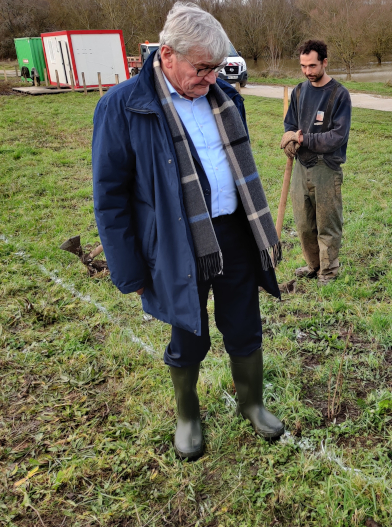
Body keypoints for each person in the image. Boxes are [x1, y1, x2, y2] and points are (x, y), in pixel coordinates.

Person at [92, 2, 284, 460]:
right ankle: (188, 415)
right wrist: (128, 268)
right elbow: (110, 199)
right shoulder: (123, 107)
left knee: (244, 324)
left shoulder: (225, 97)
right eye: (202, 68)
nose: (211, 78)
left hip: (235, 233)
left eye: (217, 68)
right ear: (167, 56)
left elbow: (236, 168)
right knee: (188, 334)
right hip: (177, 243)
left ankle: (251, 404)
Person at [280, 39, 352, 285]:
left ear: (325, 62)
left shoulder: (339, 94)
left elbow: (337, 137)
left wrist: (304, 138)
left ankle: (329, 271)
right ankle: (314, 265)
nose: (307, 71)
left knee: (327, 223)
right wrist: (290, 137)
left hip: (326, 168)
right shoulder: (299, 91)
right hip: (301, 166)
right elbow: (290, 123)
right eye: (303, 66)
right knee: (304, 223)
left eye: (312, 66)